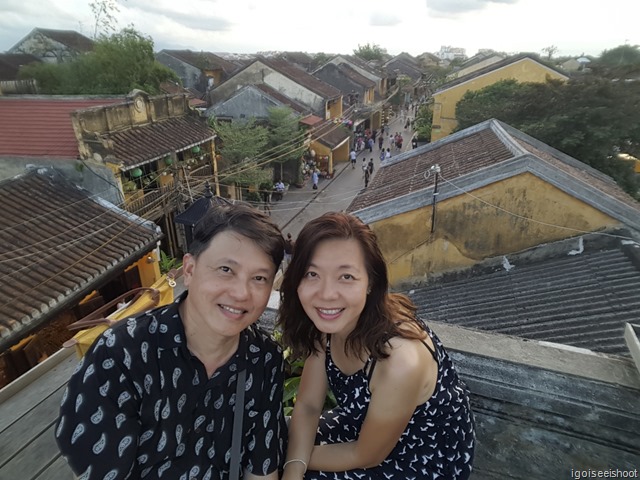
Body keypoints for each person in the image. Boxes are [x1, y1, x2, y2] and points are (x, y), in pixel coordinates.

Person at [56, 204, 287, 480]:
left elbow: (261, 468)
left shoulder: (264, 360)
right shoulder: (122, 354)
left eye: (259, 278)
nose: (241, 293)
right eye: (226, 269)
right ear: (189, 270)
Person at [278, 212, 475, 480]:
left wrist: (288, 463)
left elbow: (365, 455)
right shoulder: (328, 325)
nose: (326, 294)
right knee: (269, 438)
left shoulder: (401, 360)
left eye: (346, 277)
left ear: (371, 282)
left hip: (419, 458)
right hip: (363, 427)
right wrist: (292, 464)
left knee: (271, 459)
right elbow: (309, 406)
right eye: (312, 273)